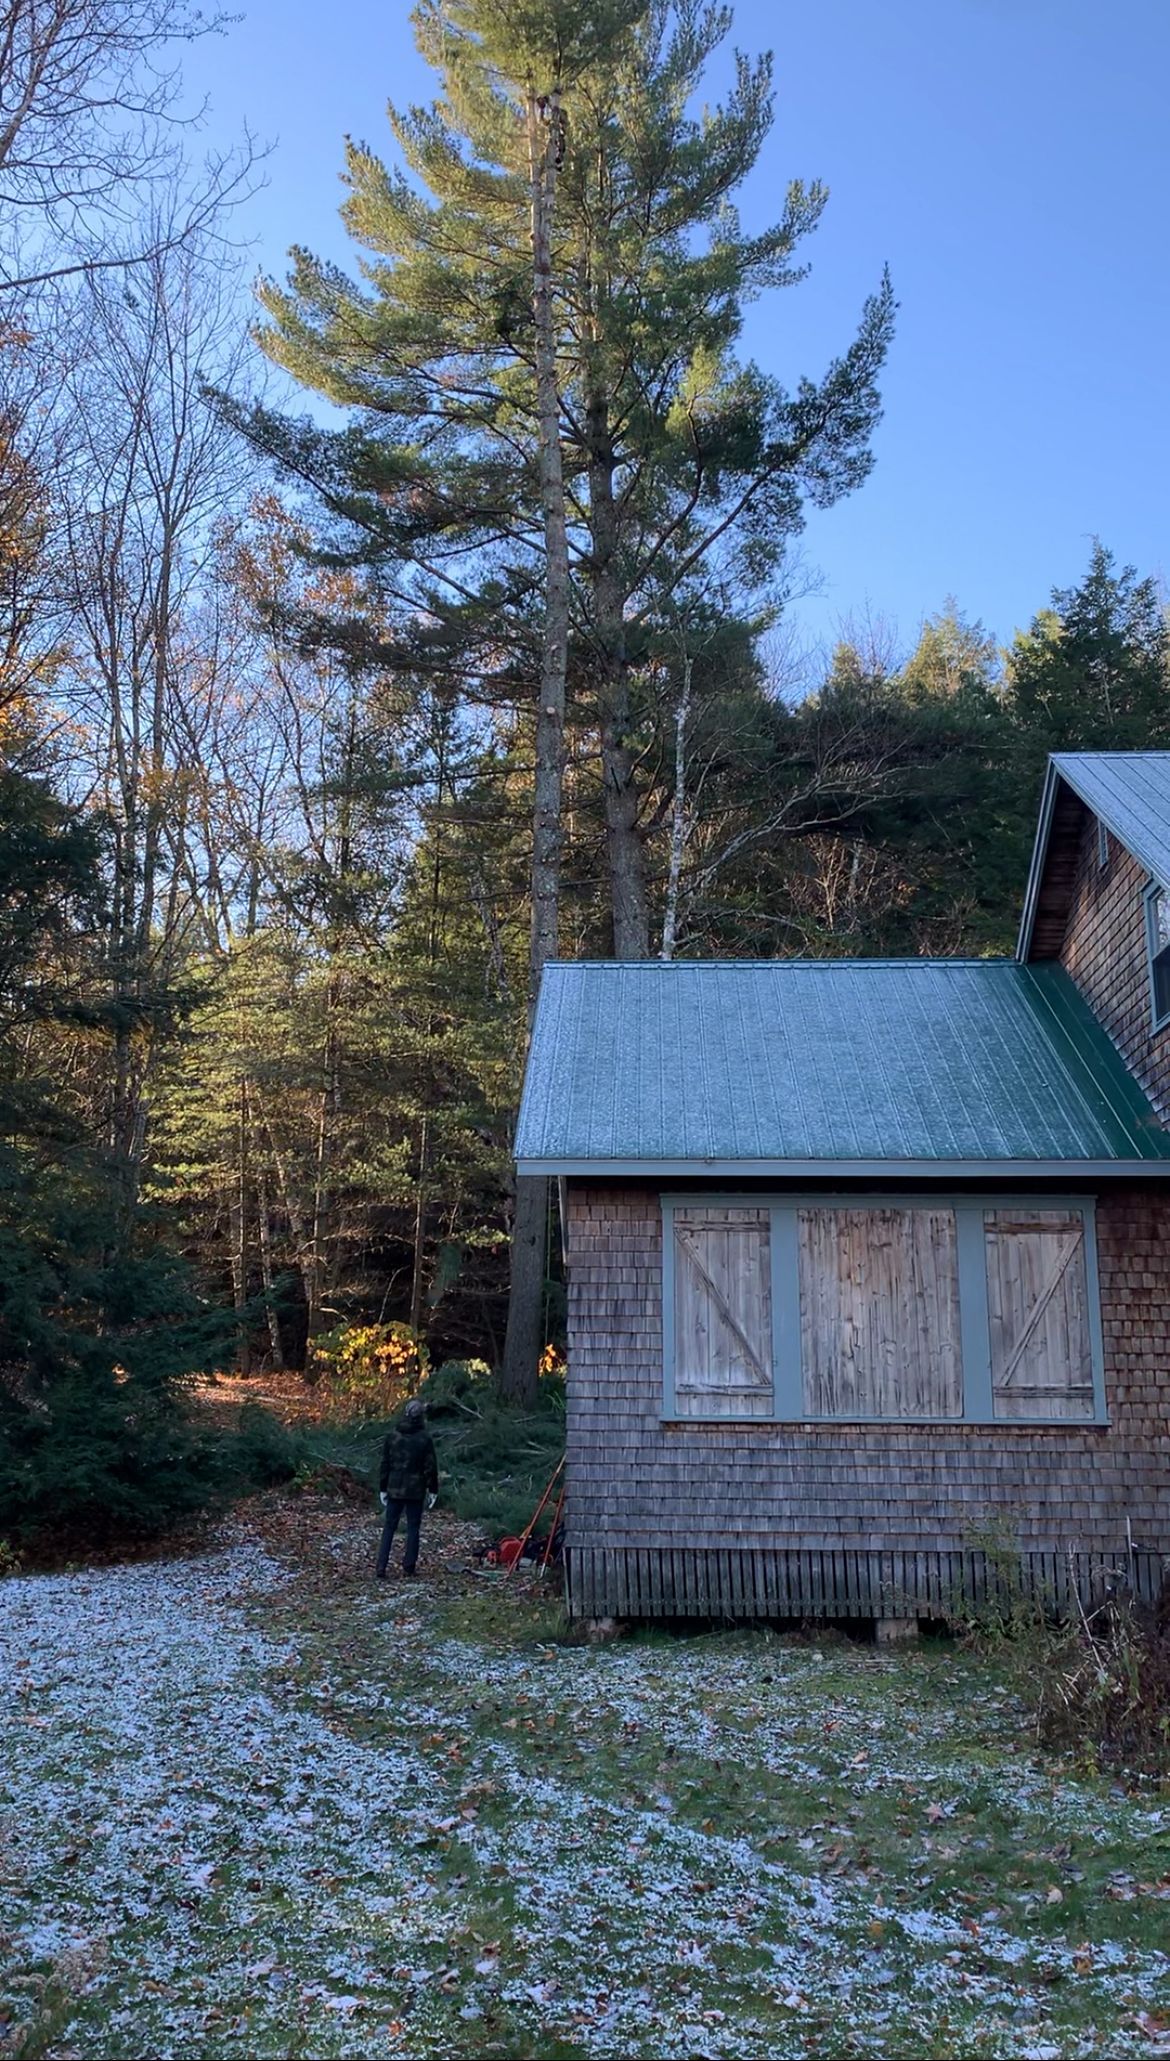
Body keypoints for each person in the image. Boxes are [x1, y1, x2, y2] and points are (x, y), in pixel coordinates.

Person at [376, 1396, 439, 1579]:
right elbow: (430, 1467)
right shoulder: (424, 1438)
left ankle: (381, 1566)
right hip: (415, 1490)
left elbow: (385, 1463)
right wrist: (433, 1489)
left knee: (389, 1527)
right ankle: (409, 1566)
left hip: (394, 1487)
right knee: (413, 1528)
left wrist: (383, 1487)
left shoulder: (393, 1435)